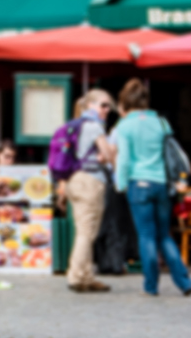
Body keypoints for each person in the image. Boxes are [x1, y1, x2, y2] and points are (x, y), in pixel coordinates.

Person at [113, 78, 191, 297]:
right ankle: (184, 282)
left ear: (124, 103)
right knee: (164, 235)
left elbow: (124, 160)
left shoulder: (125, 126)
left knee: (146, 236)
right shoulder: (161, 122)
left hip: (139, 184)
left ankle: (151, 285)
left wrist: (121, 184)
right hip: (161, 184)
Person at [62, 89, 116, 294]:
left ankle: (86, 275)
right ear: (90, 105)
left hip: (74, 180)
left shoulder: (73, 125)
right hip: (90, 182)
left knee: (84, 230)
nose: (107, 109)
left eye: (108, 105)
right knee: (87, 232)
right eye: (103, 105)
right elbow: (108, 152)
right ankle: (76, 276)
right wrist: (111, 155)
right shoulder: (93, 126)